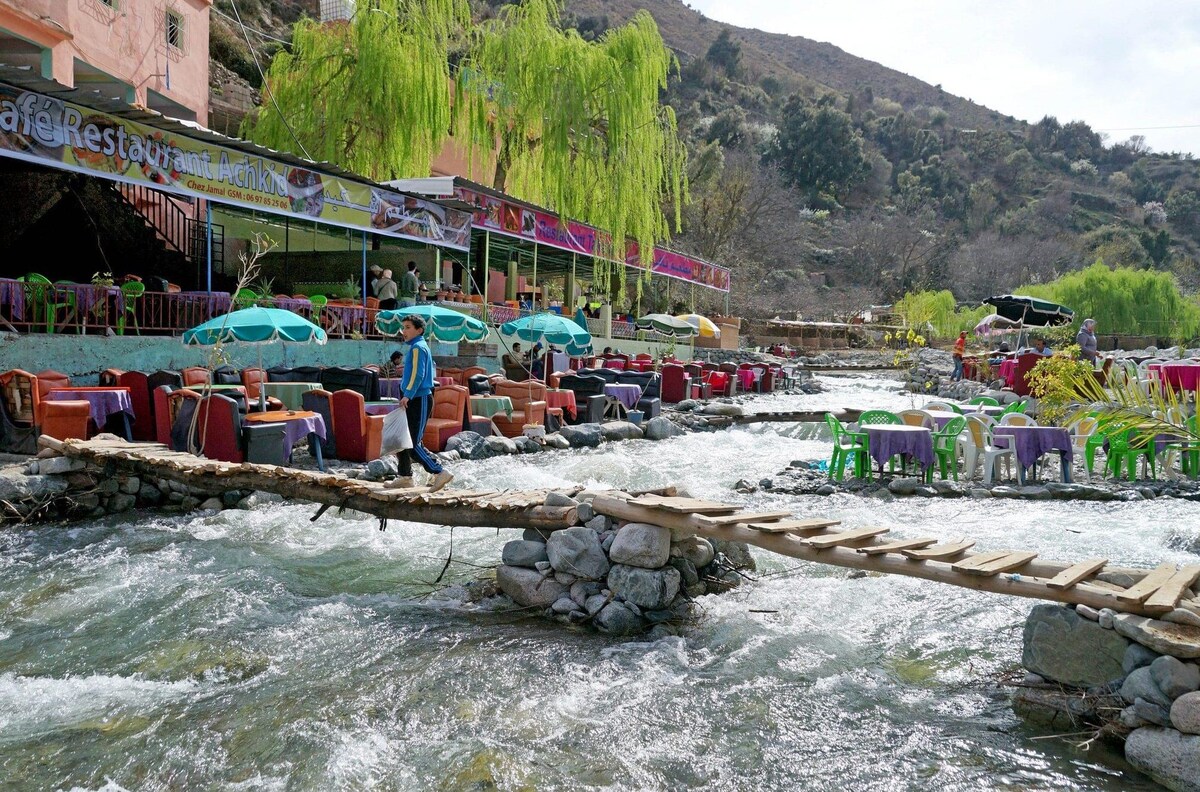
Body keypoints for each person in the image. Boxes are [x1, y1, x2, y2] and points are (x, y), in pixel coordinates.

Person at [390, 315, 453, 492]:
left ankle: (439, 471)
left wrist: (407, 394)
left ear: (419, 330)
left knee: (412, 444)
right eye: (403, 327)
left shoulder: (418, 348)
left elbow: (418, 374)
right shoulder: (416, 347)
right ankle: (404, 476)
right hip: (413, 398)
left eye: (408, 327)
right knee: (403, 439)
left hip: (419, 398)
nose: (404, 331)